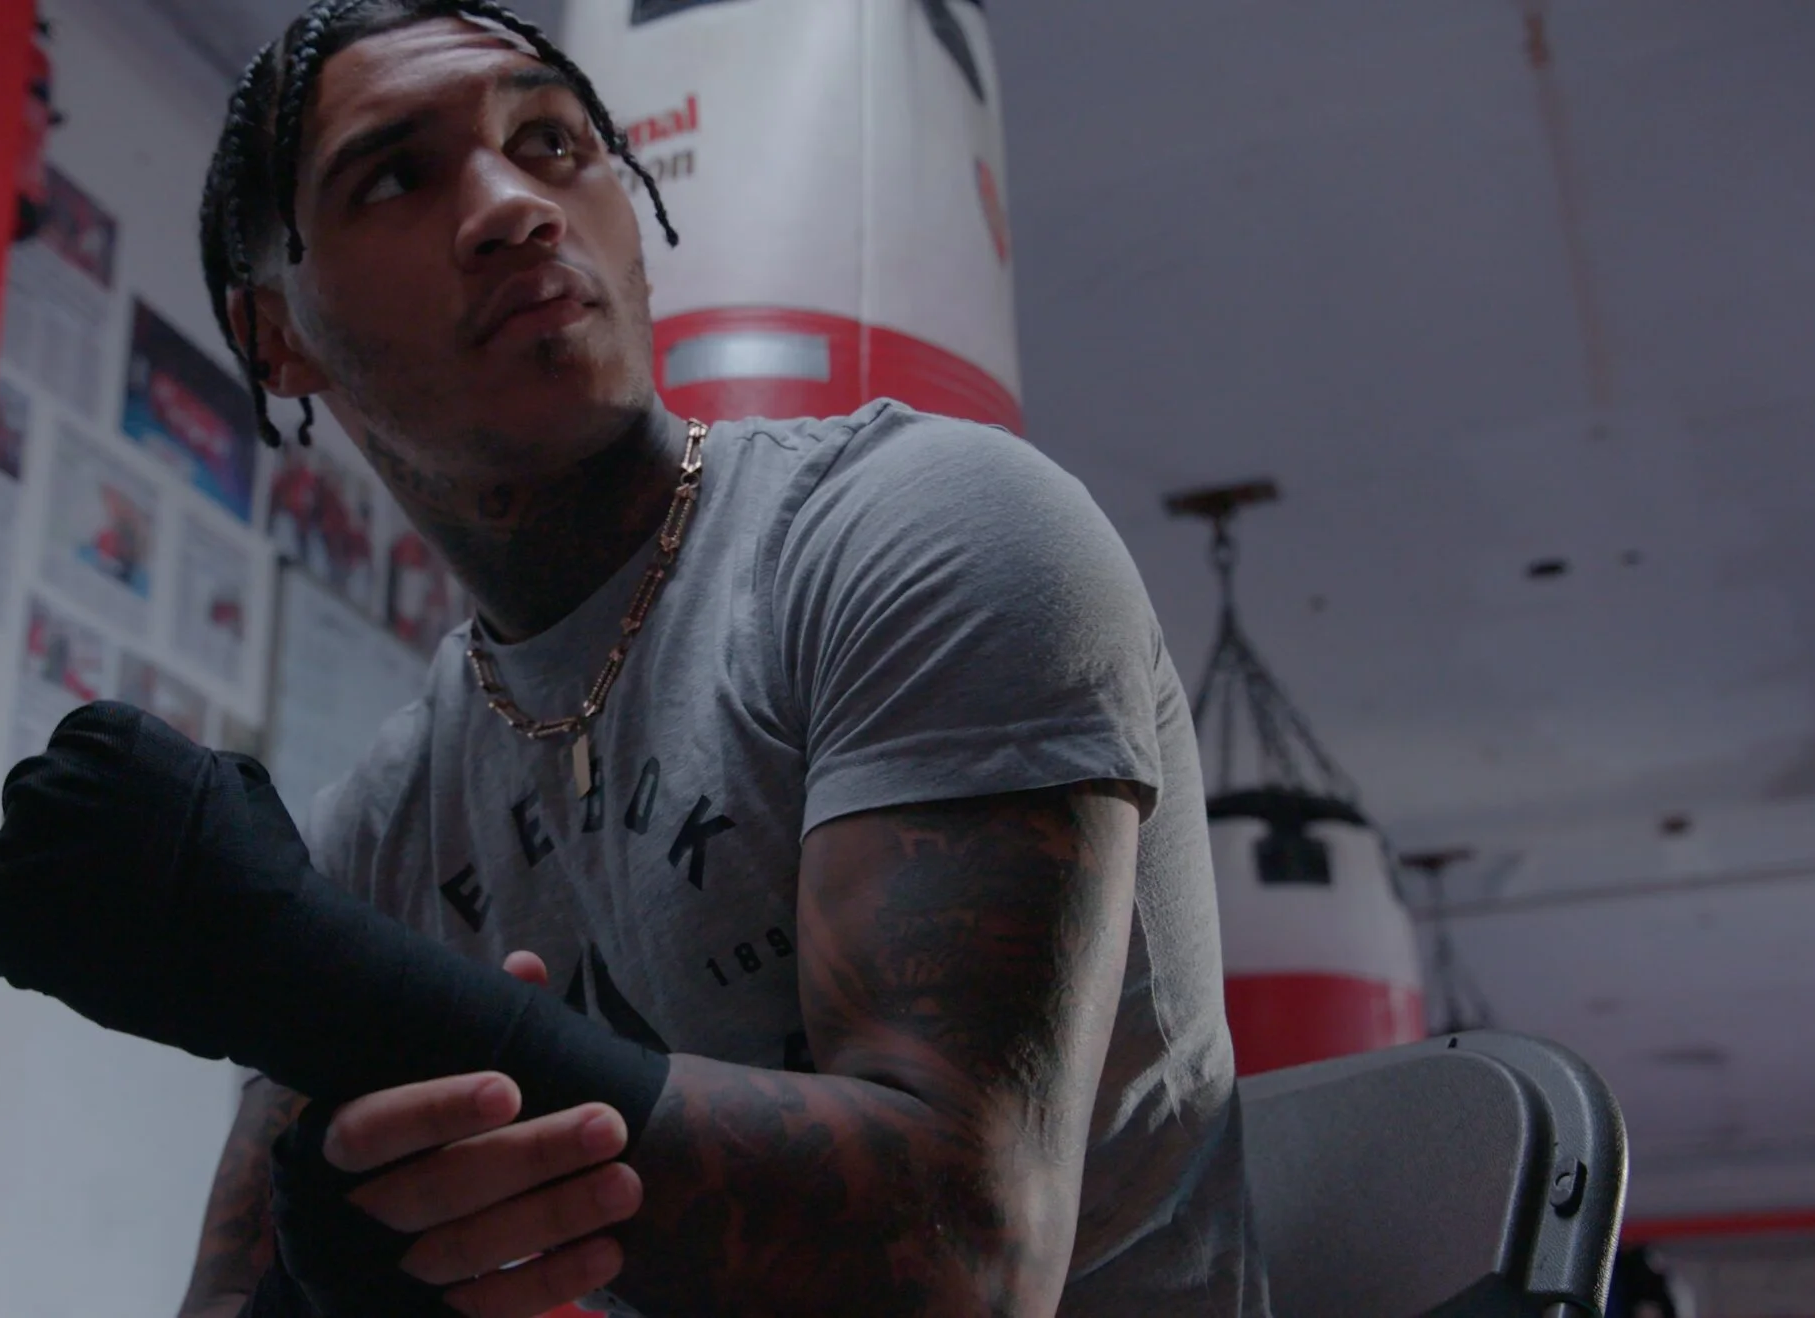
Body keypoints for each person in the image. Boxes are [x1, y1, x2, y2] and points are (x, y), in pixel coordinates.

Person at [177, 3, 1264, 1315]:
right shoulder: (391, 823)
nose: (513, 205)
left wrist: (308, 972)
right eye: (397, 175)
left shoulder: (928, 532)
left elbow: (966, 1261)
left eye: (551, 140)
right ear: (274, 336)